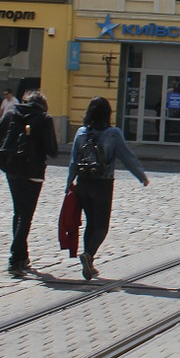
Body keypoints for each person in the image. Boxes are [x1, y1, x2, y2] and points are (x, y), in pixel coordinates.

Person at [66, 96, 150, 280]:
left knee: (91, 223)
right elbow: (127, 157)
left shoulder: (81, 132)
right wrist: (141, 176)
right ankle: (88, 255)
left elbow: (73, 161)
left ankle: (90, 263)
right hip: (102, 184)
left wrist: (68, 185)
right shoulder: (113, 134)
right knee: (102, 226)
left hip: (83, 183)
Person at [0, 90, 59, 276]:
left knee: (18, 212)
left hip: (12, 169)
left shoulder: (11, 114)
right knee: (26, 215)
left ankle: (22, 256)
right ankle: (15, 258)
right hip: (34, 172)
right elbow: (52, 150)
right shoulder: (45, 119)